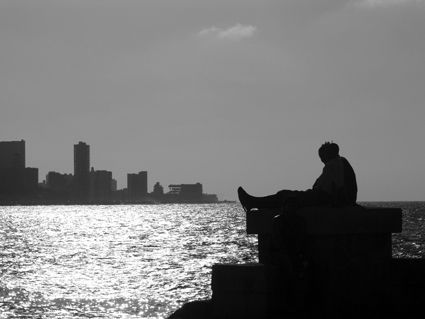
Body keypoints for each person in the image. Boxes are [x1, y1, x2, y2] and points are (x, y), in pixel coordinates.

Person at [238, 142, 357, 212]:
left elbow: (320, 188)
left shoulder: (333, 164)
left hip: (327, 200)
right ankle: (254, 202)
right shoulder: (341, 163)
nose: (322, 160)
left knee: (285, 196)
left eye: (322, 157)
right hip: (333, 199)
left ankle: (252, 203)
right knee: (286, 195)